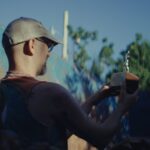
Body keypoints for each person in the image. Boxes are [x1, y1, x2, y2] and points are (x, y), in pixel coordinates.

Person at [0, 17, 138, 150]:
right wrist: (123, 107)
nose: (48, 53)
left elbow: (66, 128)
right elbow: (100, 138)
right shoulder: (50, 93)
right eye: (49, 45)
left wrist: (97, 97)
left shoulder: (4, 92)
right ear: (31, 45)